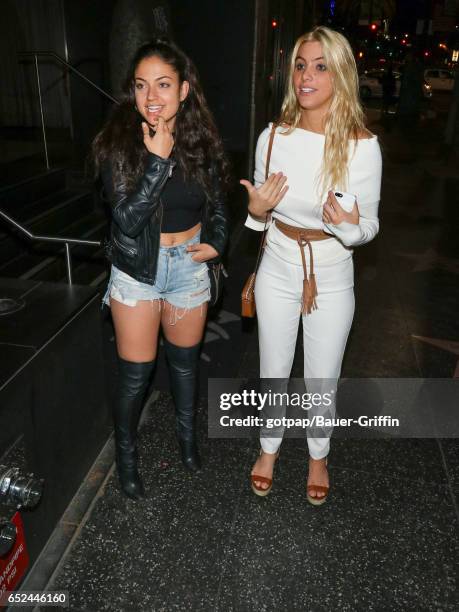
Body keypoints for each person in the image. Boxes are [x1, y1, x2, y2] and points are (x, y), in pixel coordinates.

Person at [241, 26, 382, 504]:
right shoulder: (272, 138)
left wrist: (346, 225)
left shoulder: (363, 146)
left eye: (321, 66)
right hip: (278, 262)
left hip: (332, 269)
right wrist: (256, 213)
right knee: (273, 367)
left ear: (340, 74)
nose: (306, 76)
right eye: (301, 64)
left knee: (323, 374)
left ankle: (318, 456)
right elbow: (258, 215)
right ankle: (268, 449)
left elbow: (369, 228)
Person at [93, 38, 229, 500]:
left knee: (185, 367)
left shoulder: (202, 141)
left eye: (164, 85)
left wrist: (217, 242)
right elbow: (127, 221)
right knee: (136, 373)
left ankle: (188, 441)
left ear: (185, 90)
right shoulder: (117, 143)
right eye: (141, 86)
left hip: (188, 267)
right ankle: (126, 456)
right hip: (137, 271)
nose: (151, 97)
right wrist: (157, 161)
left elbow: (217, 205)